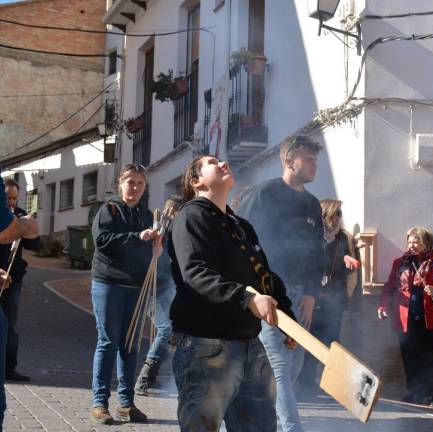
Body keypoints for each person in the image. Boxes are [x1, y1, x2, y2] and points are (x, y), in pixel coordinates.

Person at [169, 155, 296, 432]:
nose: (223, 163)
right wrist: (247, 299)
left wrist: (287, 315)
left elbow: (264, 277)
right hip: (206, 346)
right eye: (213, 162)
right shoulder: (192, 216)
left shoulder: (241, 226)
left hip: (251, 346)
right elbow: (196, 273)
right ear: (196, 181)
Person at [236, 135, 325, 432]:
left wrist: (312, 293)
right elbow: (238, 243)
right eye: (308, 160)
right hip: (270, 294)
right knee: (281, 368)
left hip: (301, 298)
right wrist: (255, 292)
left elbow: (318, 253)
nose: (315, 165)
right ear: (289, 161)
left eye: (315, 160)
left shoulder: (313, 205)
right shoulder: (263, 194)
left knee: (294, 369)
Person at [89, 163, 160, 424]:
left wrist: (156, 249)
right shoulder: (108, 209)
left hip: (135, 286)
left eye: (140, 183)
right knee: (108, 342)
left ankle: (127, 403)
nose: (136, 188)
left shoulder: (146, 214)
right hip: (108, 283)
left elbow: (146, 249)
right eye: (131, 182)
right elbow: (103, 242)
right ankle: (100, 402)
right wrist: (136, 237)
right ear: (121, 183)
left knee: (130, 344)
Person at [378, 226, 433, 408]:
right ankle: (413, 392)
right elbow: (390, 287)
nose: (411, 244)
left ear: (427, 243)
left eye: (416, 241)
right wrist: (383, 305)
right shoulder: (400, 263)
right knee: (409, 356)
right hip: (404, 317)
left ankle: (432, 396)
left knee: (430, 357)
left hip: (429, 317)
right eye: (409, 241)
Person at [298, 199, 359, 398]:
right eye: (337, 213)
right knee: (310, 340)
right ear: (326, 214)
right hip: (313, 298)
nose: (339, 218)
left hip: (335, 300)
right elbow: (309, 263)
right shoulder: (314, 236)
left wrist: (346, 260)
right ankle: (306, 384)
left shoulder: (344, 239)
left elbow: (352, 273)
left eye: (340, 214)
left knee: (332, 342)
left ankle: (331, 385)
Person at [134, 195, 184, 396]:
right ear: (172, 212)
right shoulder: (159, 230)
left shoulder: (175, 232)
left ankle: (172, 378)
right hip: (150, 289)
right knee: (165, 329)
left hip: (165, 289)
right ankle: (144, 380)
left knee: (175, 332)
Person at [0, 174, 37, 429]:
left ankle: (8, 367)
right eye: (6, 199)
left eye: (14, 198)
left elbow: (36, 240)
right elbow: (7, 230)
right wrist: (19, 227)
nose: (11, 203)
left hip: (11, 279)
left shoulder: (20, 212)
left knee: (9, 326)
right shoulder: (10, 217)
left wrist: (29, 227)